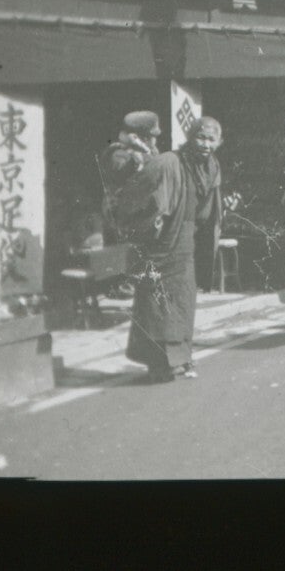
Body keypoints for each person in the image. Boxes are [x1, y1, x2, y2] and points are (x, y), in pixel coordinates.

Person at [104, 111, 201, 382]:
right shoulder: (119, 152)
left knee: (174, 298)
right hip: (142, 227)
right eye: (149, 136)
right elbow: (129, 181)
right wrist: (142, 161)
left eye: (154, 136)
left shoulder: (155, 153)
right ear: (137, 134)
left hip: (164, 228)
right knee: (155, 299)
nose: (152, 140)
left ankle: (176, 360)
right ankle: (160, 362)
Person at [180, 116, 223, 294]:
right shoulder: (180, 161)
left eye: (211, 140)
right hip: (183, 224)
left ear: (219, 142)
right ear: (190, 137)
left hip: (205, 226)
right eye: (201, 138)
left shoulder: (214, 164)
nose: (206, 144)